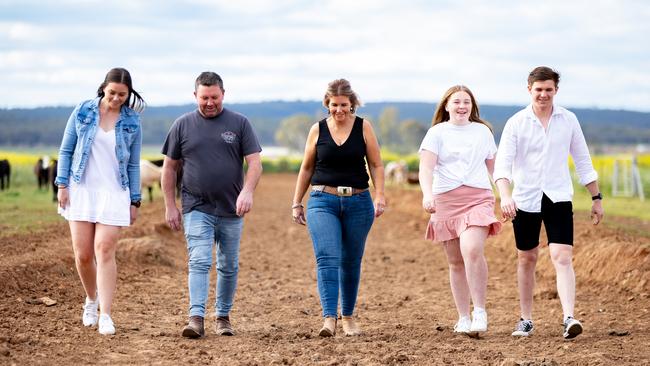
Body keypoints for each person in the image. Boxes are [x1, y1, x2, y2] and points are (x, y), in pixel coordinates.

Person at [494, 66, 604, 339]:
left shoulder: (568, 120)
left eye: (549, 90)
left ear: (556, 90)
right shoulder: (516, 122)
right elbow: (502, 166)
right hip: (525, 199)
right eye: (538, 90)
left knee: (562, 256)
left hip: (558, 197)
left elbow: (582, 160)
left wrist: (596, 197)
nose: (543, 95)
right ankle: (526, 320)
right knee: (527, 257)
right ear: (529, 89)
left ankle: (569, 317)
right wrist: (505, 196)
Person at [161, 71, 262, 339]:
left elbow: (254, 162)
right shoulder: (182, 125)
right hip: (196, 206)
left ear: (223, 94)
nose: (209, 102)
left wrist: (247, 192)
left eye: (214, 97)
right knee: (200, 260)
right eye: (204, 97)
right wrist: (170, 205)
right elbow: (169, 169)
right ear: (195, 96)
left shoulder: (240, 123)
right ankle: (196, 318)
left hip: (232, 208)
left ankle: (223, 316)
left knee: (228, 265)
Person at [291, 79, 386, 337]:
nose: (339, 110)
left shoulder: (364, 127)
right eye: (334, 105)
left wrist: (380, 196)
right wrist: (297, 201)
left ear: (352, 104)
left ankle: (348, 317)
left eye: (344, 105)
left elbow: (376, 164)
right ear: (327, 104)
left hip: (358, 202)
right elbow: (307, 167)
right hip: (323, 201)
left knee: (351, 261)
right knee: (327, 259)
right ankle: (328, 319)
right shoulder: (317, 130)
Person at [55, 67, 145, 335]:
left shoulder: (132, 121)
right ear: (103, 88)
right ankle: (91, 300)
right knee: (83, 255)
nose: (117, 98)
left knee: (104, 250)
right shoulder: (82, 111)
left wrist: (135, 200)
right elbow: (66, 149)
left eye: (122, 94)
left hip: (115, 192)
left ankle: (106, 314)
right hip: (81, 189)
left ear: (129, 94)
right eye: (112, 93)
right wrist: (62, 184)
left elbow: (133, 164)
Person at [418, 85, 501, 338]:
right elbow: (426, 169)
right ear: (446, 106)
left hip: (477, 197)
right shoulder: (436, 133)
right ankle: (463, 317)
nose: (462, 106)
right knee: (455, 262)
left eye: (467, 102)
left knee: (472, 249)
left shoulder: (482, 132)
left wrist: (507, 194)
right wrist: (428, 194)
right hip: (445, 200)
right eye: (457, 102)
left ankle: (480, 312)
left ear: (472, 106)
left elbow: (494, 168)